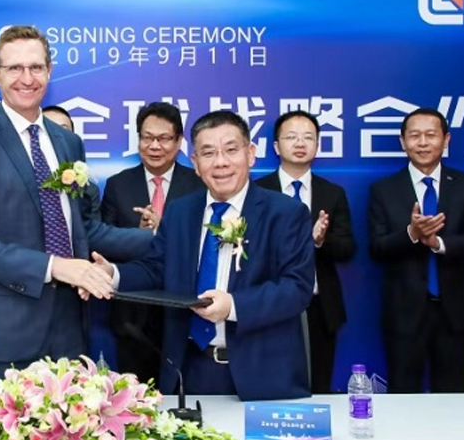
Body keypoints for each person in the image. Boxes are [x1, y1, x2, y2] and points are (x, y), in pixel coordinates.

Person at [0, 25, 151, 374]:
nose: (27, 79)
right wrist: (55, 267)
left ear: (50, 70)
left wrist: (164, 236)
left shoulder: (67, 142)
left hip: (69, 328)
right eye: (15, 68)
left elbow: (82, 228)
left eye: (36, 67)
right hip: (4, 332)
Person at [95, 110, 314, 400]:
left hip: (261, 373)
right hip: (189, 368)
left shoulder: (286, 213)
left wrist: (233, 305)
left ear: (250, 154)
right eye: (208, 153)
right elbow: (156, 268)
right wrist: (112, 274)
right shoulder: (181, 211)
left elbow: (296, 288)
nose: (220, 162)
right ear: (196, 163)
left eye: (231, 150)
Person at [368, 107, 464, 393]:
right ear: (402, 141)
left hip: (454, 313)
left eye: (431, 135)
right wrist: (412, 233)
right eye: (415, 136)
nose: (422, 143)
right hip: (404, 313)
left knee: (453, 396)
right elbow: (377, 248)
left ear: (446, 140)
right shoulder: (383, 190)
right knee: (403, 396)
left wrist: (438, 243)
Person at [101, 102, 204, 383]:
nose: (154, 146)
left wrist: (164, 230)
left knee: (184, 391)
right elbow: (104, 242)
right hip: (132, 315)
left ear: (179, 141)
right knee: (135, 395)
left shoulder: (199, 184)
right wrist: (138, 235)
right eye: (147, 137)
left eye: (163, 138)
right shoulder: (118, 184)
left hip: (184, 308)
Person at [256, 110, 356, 394]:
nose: (300, 143)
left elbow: (348, 248)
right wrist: (300, 241)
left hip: (319, 307)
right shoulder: (257, 191)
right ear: (276, 146)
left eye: (308, 137)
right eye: (291, 137)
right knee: (269, 387)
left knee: (318, 387)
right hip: (268, 304)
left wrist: (321, 241)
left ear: (317, 145)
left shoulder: (332, 193)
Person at [42, 105, 101, 222]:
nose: (55, 137)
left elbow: (91, 229)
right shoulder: (17, 183)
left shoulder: (88, 190)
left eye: (63, 131)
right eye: (48, 130)